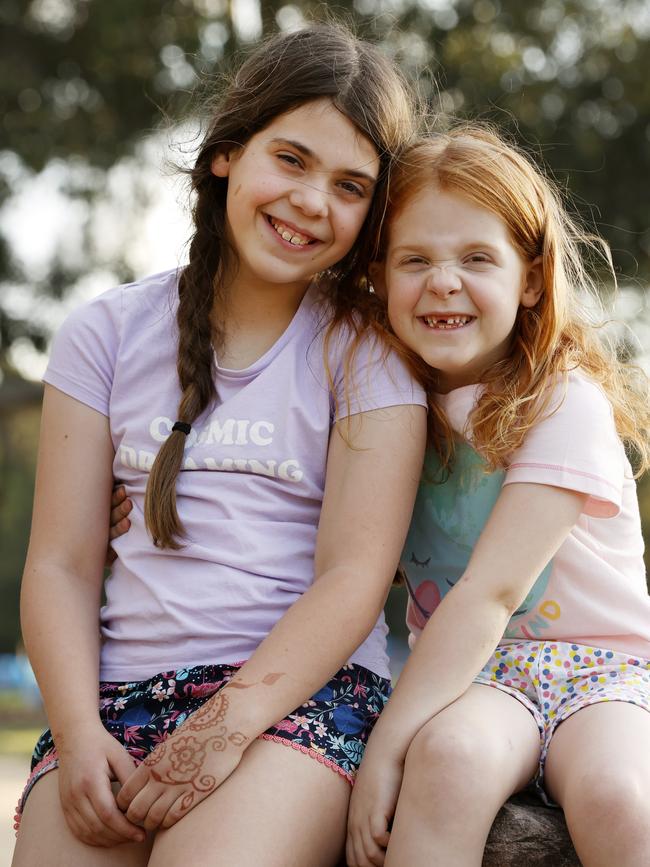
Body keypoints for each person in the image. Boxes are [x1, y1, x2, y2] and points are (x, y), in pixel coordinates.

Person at [12, 24, 430, 867]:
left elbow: (354, 573)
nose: (313, 201)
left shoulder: (365, 357)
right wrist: (76, 728)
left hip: (295, 706)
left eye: (351, 186)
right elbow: (59, 561)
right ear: (227, 154)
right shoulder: (106, 332)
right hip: (115, 703)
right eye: (292, 160)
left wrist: (229, 723)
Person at [346, 127, 650, 867]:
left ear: (532, 278)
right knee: (448, 760)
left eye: (477, 258)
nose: (443, 281)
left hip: (600, 670)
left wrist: (384, 748)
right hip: (475, 679)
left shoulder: (562, 399)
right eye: (414, 259)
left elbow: (489, 592)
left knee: (620, 795)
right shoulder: (381, 406)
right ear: (380, 276)